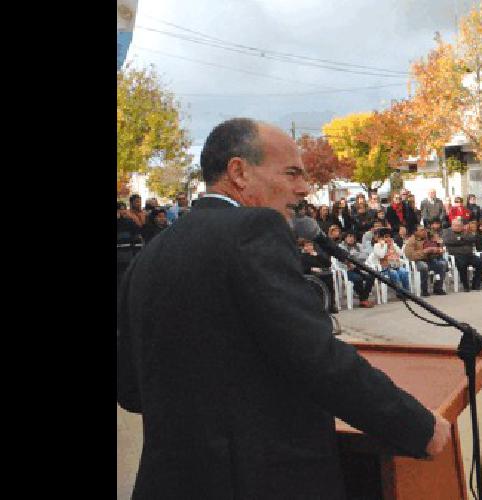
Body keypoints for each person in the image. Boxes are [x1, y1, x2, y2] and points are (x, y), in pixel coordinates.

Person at [117, 118, 448, 499]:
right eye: (291, 173)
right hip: (260, 482)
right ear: (238, 172)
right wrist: (418, 427)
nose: (303, 188)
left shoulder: (150, 254)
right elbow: (318, 358)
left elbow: (130, 390)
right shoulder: (254, 230)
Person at [441, 217, 482, 292]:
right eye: (455, 225)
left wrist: (459, 239)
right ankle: (465, 285)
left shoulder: (466, 231)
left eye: (459, 226)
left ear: (461, 226)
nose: (457, 227)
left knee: (481, 262)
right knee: (462, 264)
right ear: (452, 225)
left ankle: (476, 284)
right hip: (456, 255)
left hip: (469, 254)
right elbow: (448, 241)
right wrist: (462, 240)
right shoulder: (447, 232)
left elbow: (472, 239)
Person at [404, 226, 449, 296]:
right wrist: (425, 251)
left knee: (442, 264)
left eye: (424, 230)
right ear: (415, 232)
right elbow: (411, 256)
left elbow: (438, 247)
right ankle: (424, 289)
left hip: (430, 259)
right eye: (421, 230)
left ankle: (438, 288)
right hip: (418, 261)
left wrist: (438, 249)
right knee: (424, 266)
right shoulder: (411, 241)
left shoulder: (429, 238)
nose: (424, 232)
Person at [337, 232, 376, 306]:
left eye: (353, 237)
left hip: (358, 268)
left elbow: (365, 256)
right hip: (346, 270)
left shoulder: (358, 245)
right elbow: (343, 259)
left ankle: (363, 299)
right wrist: (354, 257)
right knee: (358, 278)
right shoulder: (341, 246)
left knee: (371, 276)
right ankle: (364, 300)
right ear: (345, 238)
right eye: (349, 236)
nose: (351, 239)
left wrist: (354, 256)